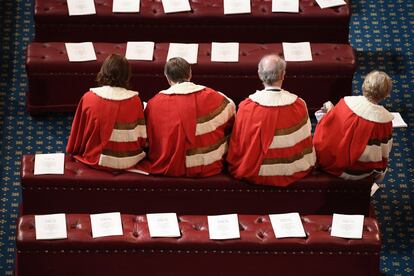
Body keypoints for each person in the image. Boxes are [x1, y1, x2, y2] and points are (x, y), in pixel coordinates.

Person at [227, 54, 315, 186]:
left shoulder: (246, 106)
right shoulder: (299, 104)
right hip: (290, 170)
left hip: (255, 171)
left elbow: (238, 143)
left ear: (259, 74)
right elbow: (305, 140)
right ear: (283, 75)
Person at [139, 57, 235, 177]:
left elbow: (146, 138)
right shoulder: (217, 98)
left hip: (169, 166)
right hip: (207, 165)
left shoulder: (154, 104)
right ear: (190, 73)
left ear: (167, 78)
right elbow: (231, 121)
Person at [67, 54, 147, 170]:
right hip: (130, 159)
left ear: (103, 71)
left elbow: (79, 133)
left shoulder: (89, 97)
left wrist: (73, 150)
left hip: (97, 160)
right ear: (127, 75)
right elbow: (141, 137)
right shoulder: (135, 100)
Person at [313, 70, 393, 181]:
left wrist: (330, 112)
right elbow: (383, 152)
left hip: (337, 166)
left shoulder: (346, 103)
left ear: (364, 85)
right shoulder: (385, 121)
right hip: (363, 173)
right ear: (386, 94)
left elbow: (329, 133)